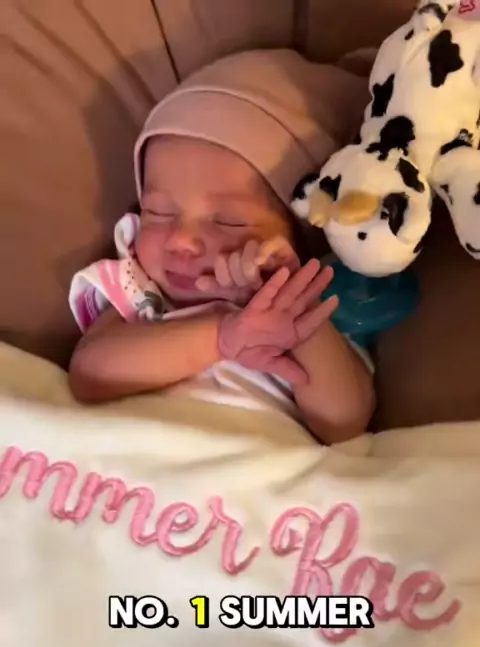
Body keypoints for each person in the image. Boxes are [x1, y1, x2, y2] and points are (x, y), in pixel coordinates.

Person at [68, 49, 375, 444]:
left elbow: (343, 424)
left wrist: (294, 302)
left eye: (228, 221)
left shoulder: (313, 314)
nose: (181, 240)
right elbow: (89, 374)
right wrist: (222, 337)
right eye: (158, 212)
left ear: (297, 238)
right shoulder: (142, 294)